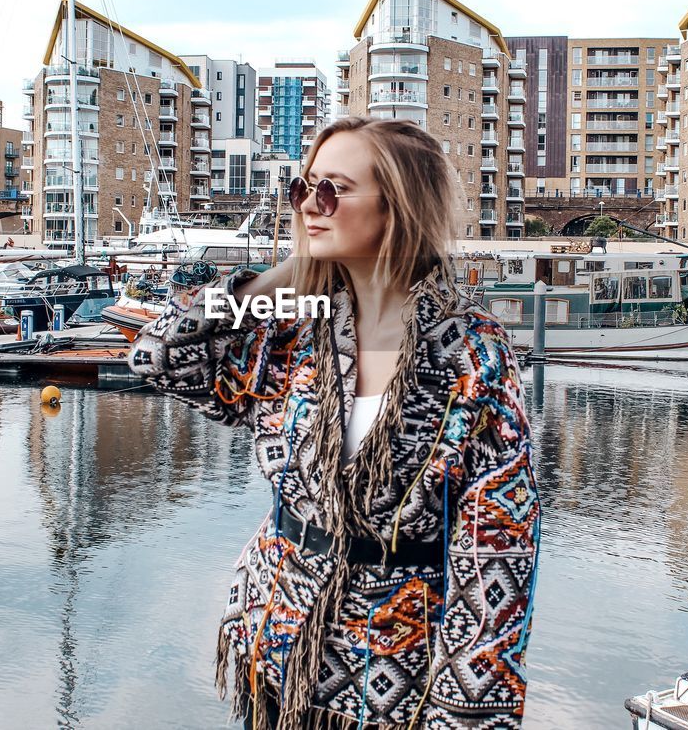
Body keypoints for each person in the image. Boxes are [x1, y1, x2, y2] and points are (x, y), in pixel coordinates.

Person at [130, 117, 541, 729]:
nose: (309, 206)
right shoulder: (295, 331)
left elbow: (498, 552)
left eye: (333, 190)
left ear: (398, 206)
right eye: (304, 188)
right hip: (273, 644)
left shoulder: (470, 355)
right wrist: (277, 278)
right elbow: (157, 357)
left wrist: (463, 716)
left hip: (391, 674)